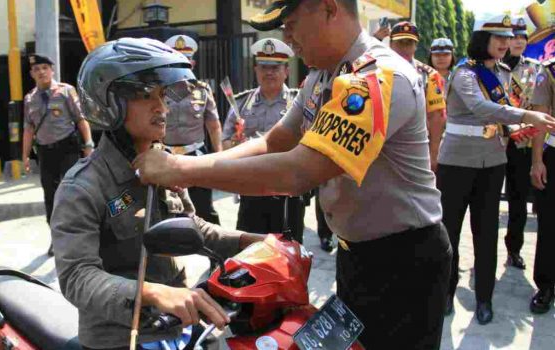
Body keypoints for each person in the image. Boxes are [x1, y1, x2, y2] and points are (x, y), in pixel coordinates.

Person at [136, 0, 458, 348]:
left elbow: (299, 171)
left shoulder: (378, 78)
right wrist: (188, 169)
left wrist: (182, 169)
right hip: (357, 254)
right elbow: (276, 141)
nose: (287, 39)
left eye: (290, 24)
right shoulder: (324, 74)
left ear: (329, 9)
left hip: (402, 261)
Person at [51, 37, 263, 349]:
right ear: (110, 102)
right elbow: (76, 278)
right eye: (146, 96)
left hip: (181, 325)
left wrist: (253, 242)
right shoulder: (83, 186)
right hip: (122, 337)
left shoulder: (163, 165)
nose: (161, 107)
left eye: (162, 95)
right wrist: (150, 293)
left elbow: (192, 228)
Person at [437, 14, 555, 324]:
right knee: (449, 231)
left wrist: (518, 128)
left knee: (486, 232)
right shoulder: (464, 73)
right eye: (497, 37)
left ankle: (484, 299)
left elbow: (504, 116)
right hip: (456, 163)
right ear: (481, 40)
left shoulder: (504, 73)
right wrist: (526, 116)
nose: (504, 42)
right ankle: (445, 293)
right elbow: (480, 107)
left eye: (508, 36)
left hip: (493, 163)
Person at [222, 38, 306, 241]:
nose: (269, 72)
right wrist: (235, 141)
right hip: (252, 186)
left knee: (289, 248)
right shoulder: (241, 104)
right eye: (264, 67)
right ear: (256, 70)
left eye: (275, 67)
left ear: (286, 71)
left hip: (287, 188)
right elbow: (226, 142)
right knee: (250, 246)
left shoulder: (300, 102)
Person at [22, 54, 94, 256]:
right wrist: (25, 156)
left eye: (45, 68)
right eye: (37, 69)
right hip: (45, 153)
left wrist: (88, 145)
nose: (41, 72)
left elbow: (81, 119)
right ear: (31, 74)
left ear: (51, 70)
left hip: (68, 149)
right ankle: (57, 239)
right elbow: (28, 129)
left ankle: (80, 237)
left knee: (72, 194)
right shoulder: (30, 99)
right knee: (51, 198)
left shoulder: (65, 91)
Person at [163, 34, 222, 224]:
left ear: (192, 64)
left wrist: (219, 157)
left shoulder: (202, 90)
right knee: (165, 208)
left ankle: (218, 252)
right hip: (166, 156)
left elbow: (213, 126)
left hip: (195, 155)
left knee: (204, 209)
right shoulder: (158, 91)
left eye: (185, 61)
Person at [502, 17, 541, 270]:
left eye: (522, 37)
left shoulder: (536, 69)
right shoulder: (492, 67)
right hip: (493, 141)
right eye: (513, 36)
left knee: (517, 199)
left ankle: (513, 249)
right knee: (484, 199)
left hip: (522, 143)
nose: (517, 41)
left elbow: (539, 105)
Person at [390, 21, 447, 171]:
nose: (404, 47)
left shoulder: (429, 75)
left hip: (416, 144)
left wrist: (433, 154)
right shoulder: (375, 70)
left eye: (409, 43)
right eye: (400, 43)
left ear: (416, 45)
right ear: (390, 44)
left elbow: (437, 117)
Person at [528, 56, 555, 314]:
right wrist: (537, 161)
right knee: (549, 224)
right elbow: (540, 119)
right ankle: (546, 285)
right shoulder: (549, 71)